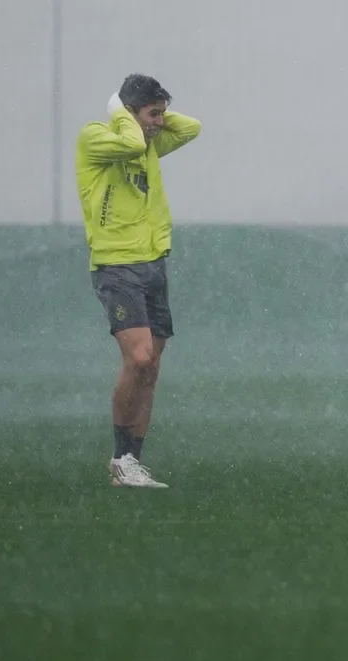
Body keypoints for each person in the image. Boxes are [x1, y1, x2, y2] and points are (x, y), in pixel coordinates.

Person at [77, 74, 201, 488]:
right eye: (153, 114)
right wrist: (120, 110)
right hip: (117, 266)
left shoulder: (149, 139)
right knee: (140, 358)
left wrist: (154, 112)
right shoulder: (96, 137)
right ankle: (118, 457)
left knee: (152, 369)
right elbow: (128, 142)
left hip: (153, 263)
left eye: (162, 113)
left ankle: (132, 461)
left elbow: (192, 128)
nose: (160, 123)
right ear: (128, 112)